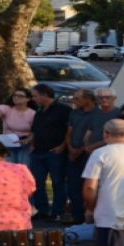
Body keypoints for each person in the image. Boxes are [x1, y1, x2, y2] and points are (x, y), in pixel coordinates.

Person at [29, 83, 70, 220]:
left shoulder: (63, 110)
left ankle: (57, 211)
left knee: (57, 182)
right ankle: (42, 209)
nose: (33, 99)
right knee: (37, 181)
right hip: (38, 151)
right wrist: (33, 143)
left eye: (35, 96)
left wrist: (63, 146)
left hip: (55, 151)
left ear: (44, 95)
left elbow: (69, 130)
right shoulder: (40, 111)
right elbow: (35, 129)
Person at [64, 89, 98, 224]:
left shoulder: (98, 114)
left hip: (88, 154)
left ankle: (88, 214)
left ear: (88, 99)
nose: (74, 101)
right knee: (73, 184)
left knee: (88, 185)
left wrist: (81, 149)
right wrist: (71, 148)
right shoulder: (74, 113)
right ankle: (77, 215)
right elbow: (69, 132)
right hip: (73, 152)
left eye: (77, 98)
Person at [0, 88, 35, 166]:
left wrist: (29, 140)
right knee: (9, 168)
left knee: (23, 168)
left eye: (20, 96)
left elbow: (36, 131)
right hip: (8, 144)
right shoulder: (6, 108)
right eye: (14, 95)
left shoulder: (33, 113)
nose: (16, 97)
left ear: (28, 99)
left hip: (24, 144)